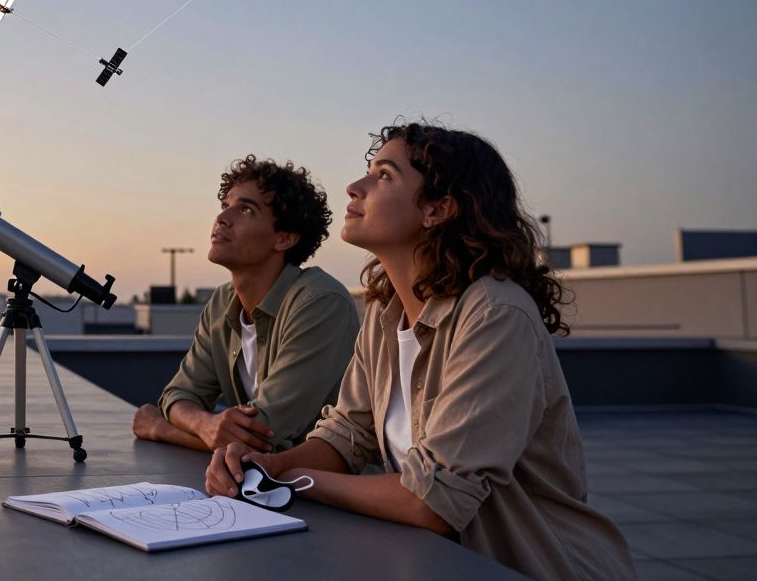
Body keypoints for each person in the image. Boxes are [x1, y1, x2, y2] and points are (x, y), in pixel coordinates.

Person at [204, 122, 633, 579]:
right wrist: (264, 464)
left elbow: (434, 502)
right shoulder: (386, 311)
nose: (355, 186)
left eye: (384, 175)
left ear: (437, 209)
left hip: (532, 567)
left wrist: (289, 480)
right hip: (437, 561)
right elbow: (347, 434)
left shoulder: (494, 314)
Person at [132, 155, 359, 452]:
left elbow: (263, 435)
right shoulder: (222, 303)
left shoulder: (321, 303)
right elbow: (179, 395)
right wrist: (205, 424)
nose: (223, 218)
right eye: (225, 205)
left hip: (322, 490)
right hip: (254, 485)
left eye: (246, 209)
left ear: (284, 239)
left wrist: (161, 429)